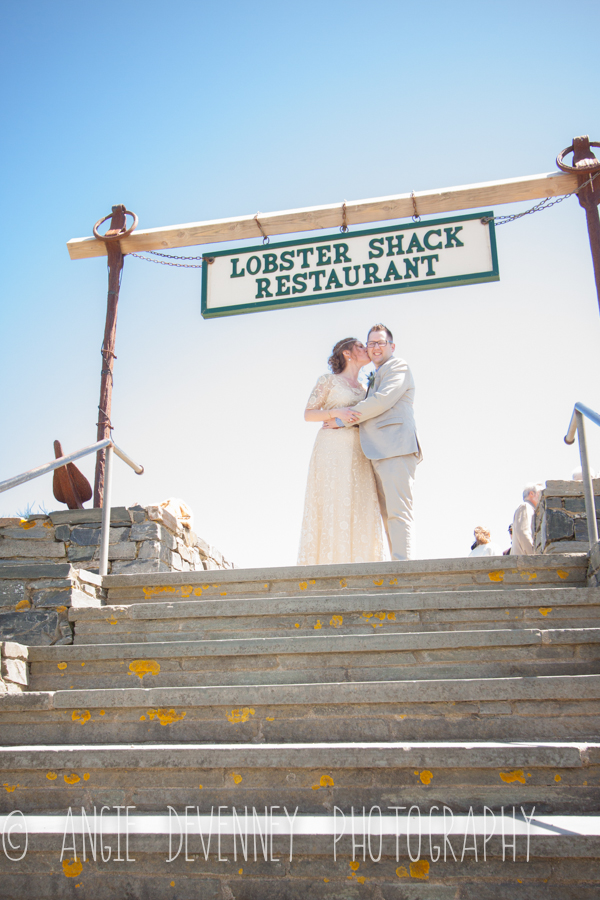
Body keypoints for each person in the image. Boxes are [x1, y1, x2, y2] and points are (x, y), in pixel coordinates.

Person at [325, 323, 422, 561]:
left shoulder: (398, 366)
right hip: (377, 452)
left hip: (396, 448)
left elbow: (381, 401)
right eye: (371, 343)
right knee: (388, 516)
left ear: (392, 346)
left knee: (398, 512)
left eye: (380, 342)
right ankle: (397, 566)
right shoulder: (376, 375)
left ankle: (404, 568)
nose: (375, 347)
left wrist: (342, 420)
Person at [297, 338, 384, 565]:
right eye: (361, 346)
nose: (367, 349)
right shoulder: (328, 380)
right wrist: (337, 413)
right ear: (347, 353)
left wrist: (348, 420)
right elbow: (308, 414)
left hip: (359, 451)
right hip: (331, 449)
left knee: (359, 504)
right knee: (333, 501)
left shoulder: (366, 389)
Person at [510, 483, 543, 555]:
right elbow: (523, 533)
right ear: (531, 494)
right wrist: (534, 555)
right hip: (525, 559)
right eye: (540, 493)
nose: (543, 496)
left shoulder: (529, 508)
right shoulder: (525, 507)